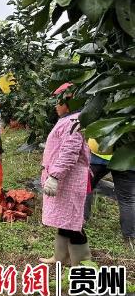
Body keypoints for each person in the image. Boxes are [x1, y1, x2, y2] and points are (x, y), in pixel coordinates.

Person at [39, 83, 91, 266]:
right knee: (65, 218)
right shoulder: (68, 120)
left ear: (69, 102)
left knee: (73, 221)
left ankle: (82, 263)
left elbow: (70, 152)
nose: (55, 105)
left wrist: (55, 176)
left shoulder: (74, 122)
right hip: (64, 178)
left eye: (58, 101)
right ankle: (61, 257)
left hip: (70, 178)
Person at [85, 138, 135, 249]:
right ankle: (129, 239)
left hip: (99, 155)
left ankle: (80, 222)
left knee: (85, 189)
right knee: (127, 200)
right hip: (127, 159)